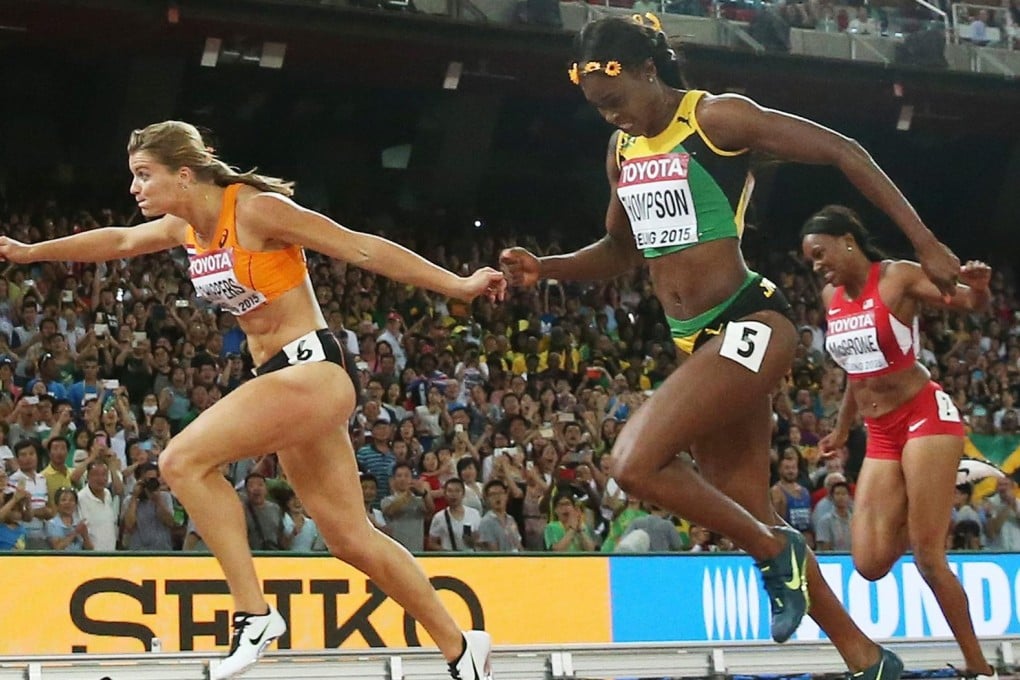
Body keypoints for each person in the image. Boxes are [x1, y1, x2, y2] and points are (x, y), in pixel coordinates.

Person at [500, 13, 957, 674]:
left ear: (648, 71)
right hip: (699, 343)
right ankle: (866, 658)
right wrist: (547, 268)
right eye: (598, 111)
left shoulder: (716, 120)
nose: (612, 118)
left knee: (631, 463)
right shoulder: (622, 152)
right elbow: (621, 250)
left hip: (751, 323)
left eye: (616, 101)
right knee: (746, 504)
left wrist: (924, 242)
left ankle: (778, 552)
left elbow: (844, 151)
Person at [0, 120, 501, 680]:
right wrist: (29, 252)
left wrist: (457, 285)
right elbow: (117, 240)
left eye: (145, 175)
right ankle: (462, 649)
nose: (135, 188)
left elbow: (360, 248)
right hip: (285, 380)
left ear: (184, 175)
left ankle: (254, 615)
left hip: (313, 370)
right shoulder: (187, 227)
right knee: (351, 540)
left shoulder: (255, 210)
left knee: (181, 461)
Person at [803, 205, 996, 680]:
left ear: (848, 240)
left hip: (924, 417)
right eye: (809, 260)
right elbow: (855, 369)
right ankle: (920, 497)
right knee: (868, 563)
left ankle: (979, 666)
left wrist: (981, 286)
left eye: (820, 253)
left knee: (928, 556)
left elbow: (969, 304)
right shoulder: (830, 296)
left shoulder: (896, 279)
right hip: (881, 432)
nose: (816, 266)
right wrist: (843, 428)